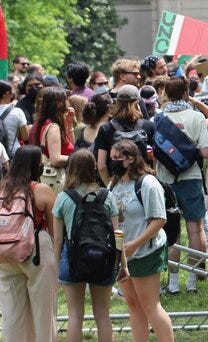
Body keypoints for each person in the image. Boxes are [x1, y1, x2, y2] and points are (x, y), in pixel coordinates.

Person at [155, 76, 208, 296]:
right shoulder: (196, 117)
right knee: (195, 228)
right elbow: (206, 152)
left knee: (172, 232)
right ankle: (192, 280)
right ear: (186, 92)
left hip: (165, 180)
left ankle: (172, 283)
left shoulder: (158, 117)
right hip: (191, 177)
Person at [107, 140, 174, 342]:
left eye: (117, 158)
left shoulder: (148, 183)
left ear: (131, 159)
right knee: (134, 306)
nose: (113, 162)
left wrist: (135, 243)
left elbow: (160, 219)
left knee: (150, 306)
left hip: (146, 252)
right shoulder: (114, 183)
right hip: (123, 256)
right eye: (111, 158)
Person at [53, 150, 119, 342]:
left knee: (75, 315)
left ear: (71, 168)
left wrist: (56, 267)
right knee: (103, 315)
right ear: (93, 168)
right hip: (103, 259)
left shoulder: (64, 198)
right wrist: (122, 264)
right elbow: (117, 235)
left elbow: (58, 240)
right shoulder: (107, 196)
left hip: (72, 260)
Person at [0, 146, 58, 341]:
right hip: (36, 251)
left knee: (12, 314)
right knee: (43, 313)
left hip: (5, 253)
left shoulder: (1, 188)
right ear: (35, 166)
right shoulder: (42, 190)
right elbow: (54, 231)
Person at [32, 86, 77, 191]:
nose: (68, 102)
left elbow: (71, 146)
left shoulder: (45, 123)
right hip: (54, 180)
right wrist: (77, 158)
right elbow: (55, 159)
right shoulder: (53, 127)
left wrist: (69, 124)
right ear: (59, 103)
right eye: (66, 99)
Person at [0, 80, 29, 158]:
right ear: (7, 94)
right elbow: (25, 136)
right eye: (12, 92)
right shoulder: (17, 111)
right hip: (13, 155)